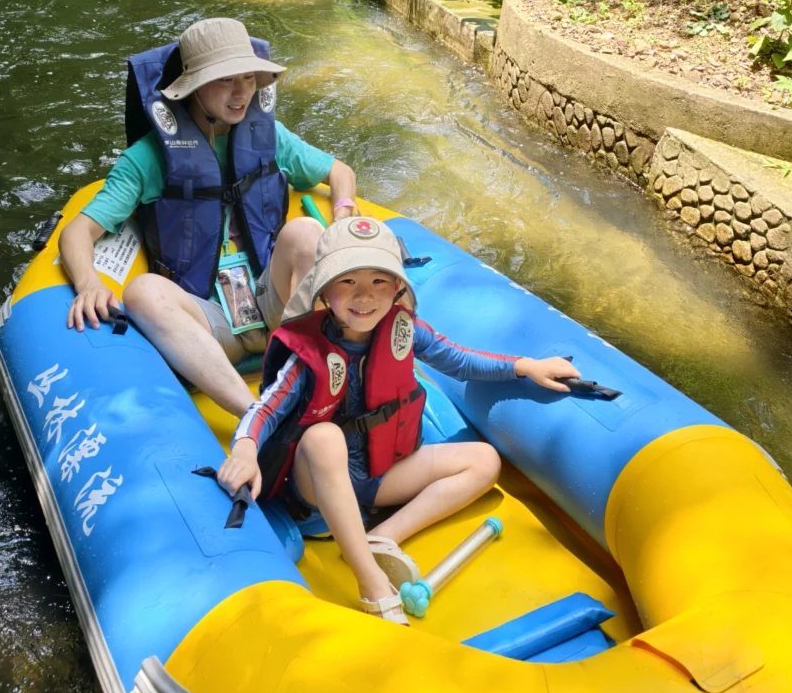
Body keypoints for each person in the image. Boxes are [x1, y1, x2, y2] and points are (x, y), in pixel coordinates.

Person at [220, 217, 582, 624]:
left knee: (484, 461)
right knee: (323, 437)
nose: (364, 296)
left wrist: (525, 366)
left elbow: (458, 359)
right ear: (324, 290)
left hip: (379, 477)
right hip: (316, 492)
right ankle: (371, 581)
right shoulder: (308, 351)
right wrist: (245, 449)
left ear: (397, 287)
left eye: (379, 281)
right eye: (347, 281)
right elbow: (265, 408)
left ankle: (381, 537)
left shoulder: (403, 329)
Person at [59, 18, 358, 419]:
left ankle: (315, 376)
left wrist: (342, 214)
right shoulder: (148, 157)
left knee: (305, 231)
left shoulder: (270, 136)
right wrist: (88, 283)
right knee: (142, 291)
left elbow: (340, 173)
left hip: (275, 300)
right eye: (225, 81)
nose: (241, 93)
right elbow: (78, 231)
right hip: (207, 318)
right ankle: (261, 417)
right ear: (193, 86)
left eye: (249, 78)